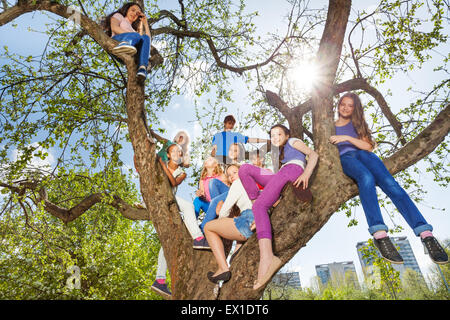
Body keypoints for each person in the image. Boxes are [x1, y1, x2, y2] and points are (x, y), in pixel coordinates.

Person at [329, 92, 448, 265]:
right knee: (366, 178)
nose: (346, 108)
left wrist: (346, 137)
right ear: (338, 105)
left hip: (365, 156)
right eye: (343, 104)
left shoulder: (357, 124)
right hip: (346, 159)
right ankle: (380, 234)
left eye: (350, 105)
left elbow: (368, 146)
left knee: (391, 185)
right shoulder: (329, 126)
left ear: (355, 108)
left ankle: (426, 234)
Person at [239, 124, 319, 290]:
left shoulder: (293, 142)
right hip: (281, 174)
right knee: (245, 169)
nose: (275, 137)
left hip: (292, 170)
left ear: (287, 135)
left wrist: (306, 174)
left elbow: (313, 154)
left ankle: (268, 257)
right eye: (272, 135)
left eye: (279, 134)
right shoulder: (279, 155)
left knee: (260, 207)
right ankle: (258, 205)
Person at [149, 144, 208, 298]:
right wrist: (160, 162)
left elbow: (173, 183)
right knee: (188, 206)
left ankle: (159, 280)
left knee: (167, 241)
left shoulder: (181, 172)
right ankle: (198, 237)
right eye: (173, 151)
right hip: (155, 198)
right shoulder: (157, 164)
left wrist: (162, 165)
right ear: (167, 155)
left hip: (169, 198)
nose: (176, 153)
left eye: (179, 152)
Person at [103, 2, 151, 79]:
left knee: (144, 37)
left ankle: (142, 68)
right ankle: (125, 44)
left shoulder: (135, 31)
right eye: (133, 10)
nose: (135, 13)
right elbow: (114, 28)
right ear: (127, 10)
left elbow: (147, 41)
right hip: (117, 42)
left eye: (137, 13)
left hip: (129, 51)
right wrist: (131, 37)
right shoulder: (119, 16)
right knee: (137, 36)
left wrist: (145, 23)